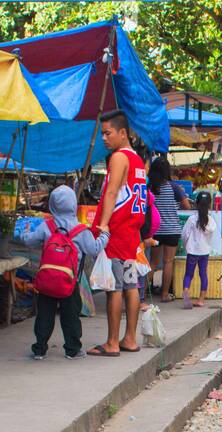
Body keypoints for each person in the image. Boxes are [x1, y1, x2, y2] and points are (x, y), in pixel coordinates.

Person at [87, 109, 148, 357]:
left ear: (122, 133)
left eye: (107, 133)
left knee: (114, 287)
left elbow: (111, 193)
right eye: (102, 133)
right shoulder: (137, 161)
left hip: (118, 232)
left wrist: (102, 225)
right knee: (131, 285)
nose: (104, 138)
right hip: (132, 234)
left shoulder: (119, 158)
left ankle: (112, 342)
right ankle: (130, 339)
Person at [24, 185, 108, 360]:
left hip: (47, 282)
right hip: (70, 283)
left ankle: (39, 349)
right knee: (71, 317)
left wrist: (25, 232)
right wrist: (105, 236)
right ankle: (73, 349)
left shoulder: (46, 226)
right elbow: (93, 249)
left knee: (44, 316)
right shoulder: (81, 230)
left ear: (52, 205)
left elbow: (29, 241)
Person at [147, 156, 190, 303]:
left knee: (152, 263)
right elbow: (187, 206)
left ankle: (140, 294)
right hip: (172, 230)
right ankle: (165, 295)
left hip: (155, 230)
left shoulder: (150, 188)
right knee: (168, 262)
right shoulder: (174, 187)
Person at [180, 191, 216, 308]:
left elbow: (184, 235)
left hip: (192, 251)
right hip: (204, 251)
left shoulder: (192, 219)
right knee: (203, 274)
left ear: (196, 203)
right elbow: (211, 234)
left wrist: (187, 246)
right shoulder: (211, 220)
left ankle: (186, 290)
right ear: (210, 205)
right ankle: (201, 300)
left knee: (189, 274)